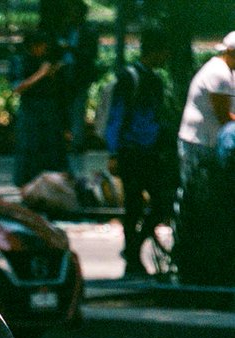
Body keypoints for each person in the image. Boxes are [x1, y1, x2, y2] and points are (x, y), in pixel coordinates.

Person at [105, 26, 173, 277]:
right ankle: (132, 259)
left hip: (150, 152)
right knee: (133, 207)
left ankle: (133, 249)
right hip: (130, 151)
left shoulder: (154, 80)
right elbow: (116, 117)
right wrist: (113, 152)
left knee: (160, 204)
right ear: (155, 51)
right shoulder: (129, 78)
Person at [10, 28, 70, 188]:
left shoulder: (48, 60)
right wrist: (40, 74)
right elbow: (17, 88)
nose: (43, 50)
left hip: (49, 109)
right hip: (30, 109)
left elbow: (61, 92)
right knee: (29, 147)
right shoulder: (20, 60)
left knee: (52, 148)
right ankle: (26, 184)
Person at [177, 31, 235, 184]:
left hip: (207, 142)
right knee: (199, 194)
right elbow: (224, 116)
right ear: (230, 52)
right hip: (199, 144)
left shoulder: (225, 71)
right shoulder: (219, 73)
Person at [59, 0, 99, 176]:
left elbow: (90, 54)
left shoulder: (89, 31)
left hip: (80, 75)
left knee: (77, 110)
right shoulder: (66, 28)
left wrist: (71, 48)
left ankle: (77, 144)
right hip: (65, 74)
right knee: (66, 110)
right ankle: (66, 141)